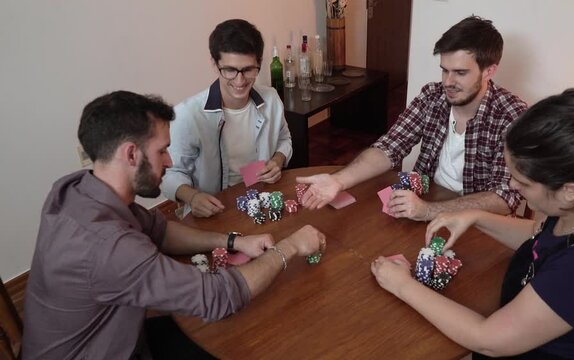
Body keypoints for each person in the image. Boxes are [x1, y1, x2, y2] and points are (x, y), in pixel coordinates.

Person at [22, 91, 325, 360]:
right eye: (162, 150)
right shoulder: (108, 247)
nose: (169, 161)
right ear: (131, 154)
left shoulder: (80, 189)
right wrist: (291, 246)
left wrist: (233, 241)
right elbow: (218, 297)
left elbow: (160, 230)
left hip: (115, 332)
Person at [371, 89, 574, 359]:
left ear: (570, 191)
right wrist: (476, 217)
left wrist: (402, 285)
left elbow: (487, 339)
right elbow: (540, 237)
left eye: (523, 182)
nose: (511, 185)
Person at [298, 16, 527, 221]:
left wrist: (428, 211)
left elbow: (504, 198)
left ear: (489, 71)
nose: (447, 82)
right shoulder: (432, 95)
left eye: (460, 72)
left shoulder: (512, 116)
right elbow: (389, 147)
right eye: (444, 70)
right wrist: (338, 181)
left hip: (478, 222)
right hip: (423, 204)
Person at [161, 19, 292, 218]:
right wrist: (193, 197)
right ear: (214, 64)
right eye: (230, 70)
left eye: (248, 70)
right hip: (213, 209)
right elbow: (168, 174)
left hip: (260, 195)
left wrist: (277, 160)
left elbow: (284, 139)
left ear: (259, 64)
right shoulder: (188, 115)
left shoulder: (271, 99)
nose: (240, 81)